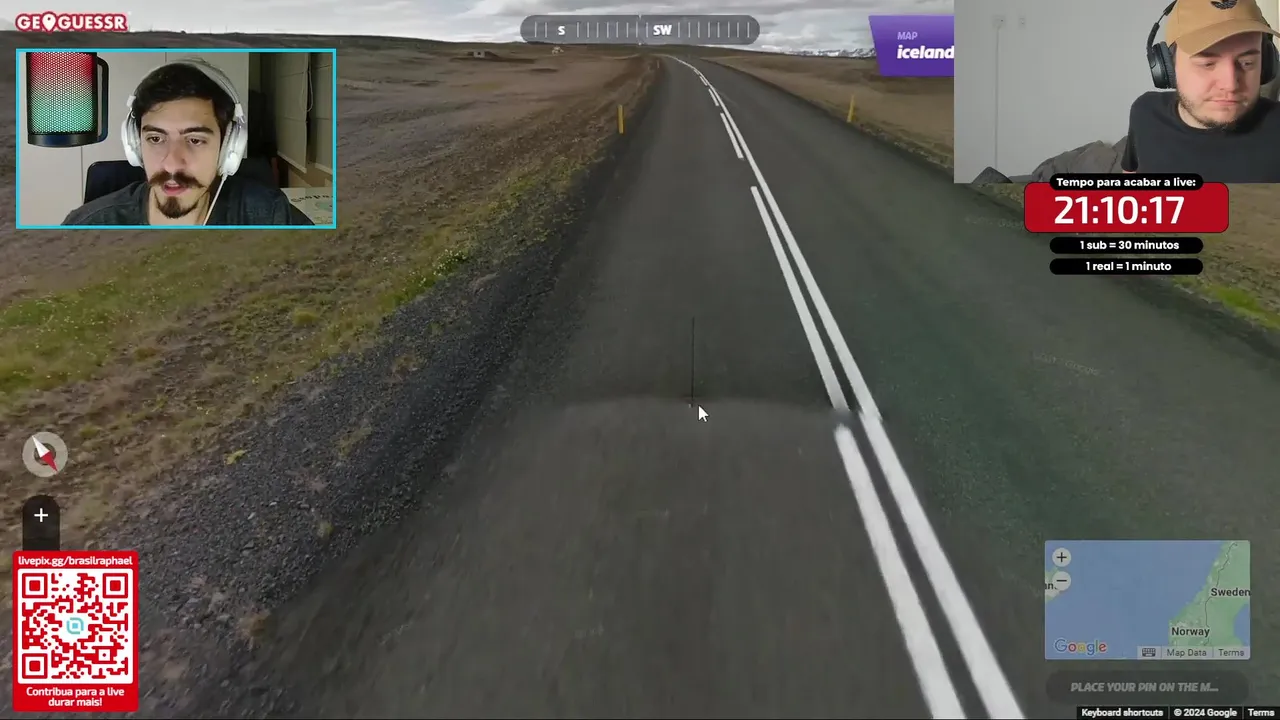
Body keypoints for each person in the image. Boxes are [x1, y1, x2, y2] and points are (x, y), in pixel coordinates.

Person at [63, 59, 314, 226]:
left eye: (195, 140)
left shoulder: (269, 216)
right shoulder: (86, 227)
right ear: (135, 145)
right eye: (155, 138)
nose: (172, 164)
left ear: (228, 148)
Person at [1121, 0, 1280, 181]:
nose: (1230, 85)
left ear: (1266, 65)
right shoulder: (1144, 113)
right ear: (1168, 67)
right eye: (1207, 64)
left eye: (1247, 63)